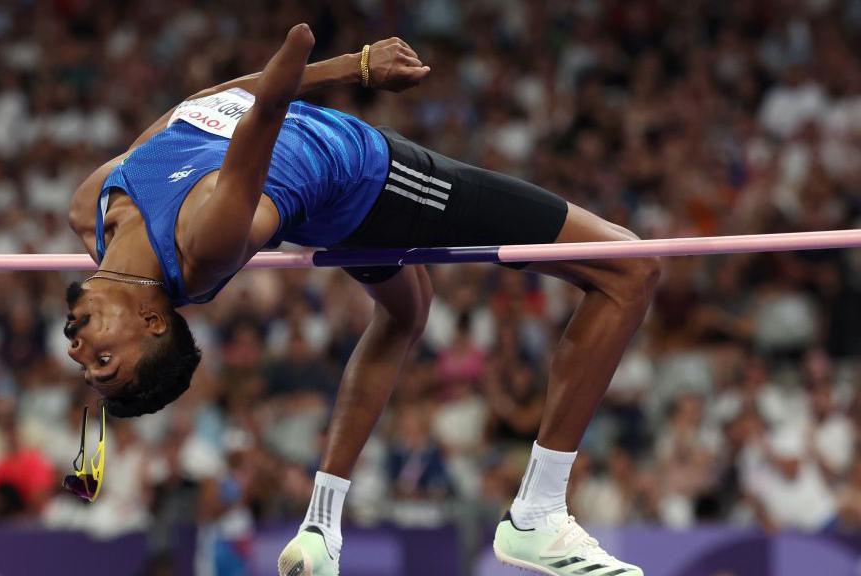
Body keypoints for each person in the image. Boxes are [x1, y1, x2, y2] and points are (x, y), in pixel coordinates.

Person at [66, 24, 658, 576]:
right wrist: (315, 55)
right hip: (379, 183)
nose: (80, 355)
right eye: (104, 365)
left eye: (90, 366)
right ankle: (539, 511)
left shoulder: (90, 208)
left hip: (327, 202)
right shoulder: (204, 247)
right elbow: (263, 113)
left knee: (406, 314)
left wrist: (357, 67)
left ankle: (322, 523)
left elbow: (198, 108)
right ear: (152, 322)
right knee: (630, 267)